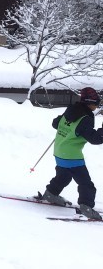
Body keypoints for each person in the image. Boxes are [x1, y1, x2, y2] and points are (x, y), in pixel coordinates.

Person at [40, 87, 103, 220]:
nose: (97, 106)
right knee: (86, 184)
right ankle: (86, 207)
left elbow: (55, 123)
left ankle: (51, 193)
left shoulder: (71, 110)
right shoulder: (85, 118)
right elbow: (95, 139)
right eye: (97, 103)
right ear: (89, 103)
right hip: (72, 156)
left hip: (59, 152)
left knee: (64, 176)